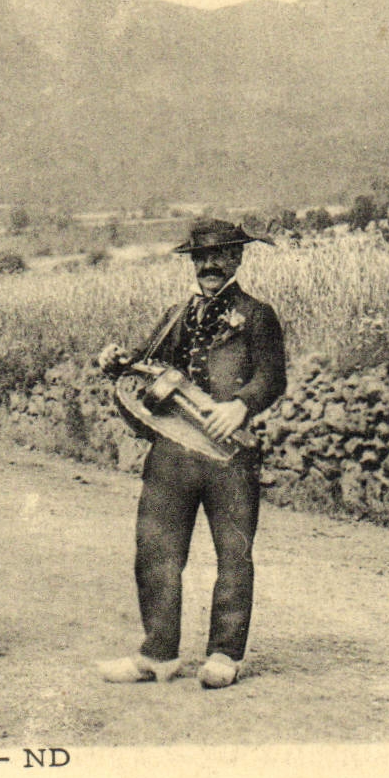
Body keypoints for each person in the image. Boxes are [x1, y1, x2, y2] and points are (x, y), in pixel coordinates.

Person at [95, 218, 287, 689]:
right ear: (194, 263)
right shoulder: (177, 314)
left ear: (238, 259)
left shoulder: (258, 315)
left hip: (230, 455)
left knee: (233, 554)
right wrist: (115, 363)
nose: (211, 265)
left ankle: (225, 654)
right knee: (155, 550)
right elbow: (145, 365)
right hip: (172, 454)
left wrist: (241, 406)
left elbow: (273, 376)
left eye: (221, 256)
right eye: (202, 257)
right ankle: (157, 654)